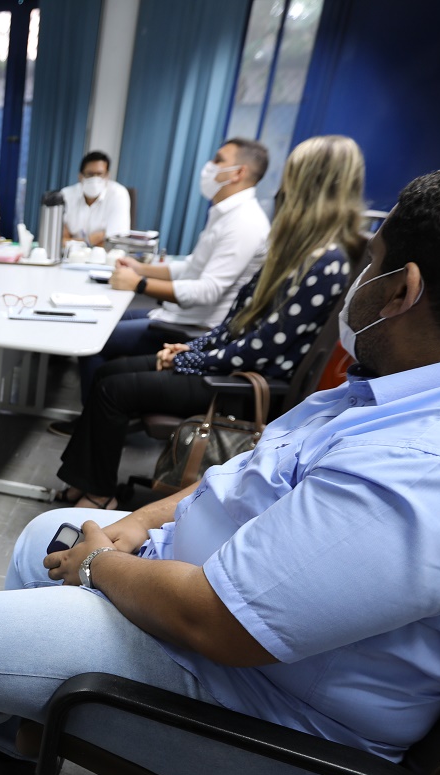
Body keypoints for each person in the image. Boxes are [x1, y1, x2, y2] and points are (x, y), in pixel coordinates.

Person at [0, 161, 440, 775]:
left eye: (372, 260)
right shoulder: (429, 389)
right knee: (48, 535)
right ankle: (10, 742)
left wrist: (102, 563)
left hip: (272, 720)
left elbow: (216, 623)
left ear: (400, 289)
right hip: (236, 634)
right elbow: (250, 474)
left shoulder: (436, 473)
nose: (356, 278)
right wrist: (139, 525)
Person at [56, 135, 366, 508]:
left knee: (112, 388)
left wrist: (188, 359)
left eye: (292, 178)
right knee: (108, 375)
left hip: (241, 382)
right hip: (228, 362)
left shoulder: (324, 261)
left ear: (309, 187)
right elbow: (239, 320)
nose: (282, 190)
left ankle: (98, 493)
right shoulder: (295, 250)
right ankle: (86, 482)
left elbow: (261, 346)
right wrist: (193, 347)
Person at [55, 138, 271, 422]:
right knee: (104, 317)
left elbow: (207, 291)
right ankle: (103, 410)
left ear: (238, 172)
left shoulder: (243, 223)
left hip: (193, 326)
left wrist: (139, 284)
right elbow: (191, 268)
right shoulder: (226, 214)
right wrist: (141, 269)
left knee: (93, 335)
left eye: (218, 160)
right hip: (178, 313)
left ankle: (97, 416)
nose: (209, 166)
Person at [60, 151, 131, 248]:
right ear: (80, 176)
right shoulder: (65, 195)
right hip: (69, 258)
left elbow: (114, 241)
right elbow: (59, 240)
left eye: (100, 174)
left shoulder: (118, 194)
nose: (95, 179)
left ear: (107, 176)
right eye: (90, 174)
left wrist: (73, 241)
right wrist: (93, 239)